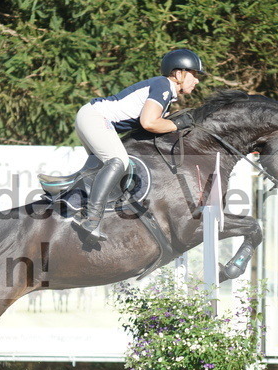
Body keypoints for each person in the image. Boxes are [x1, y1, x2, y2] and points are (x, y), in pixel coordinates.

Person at [72, 48, 205, 239]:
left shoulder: (165, 91)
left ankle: (70, 202)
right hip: (95, 117)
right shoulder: (163, 86)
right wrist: (176, 124)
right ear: (178, 74)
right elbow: (149, 123)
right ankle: (91, 218)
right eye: (194, 74)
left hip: (91, 116)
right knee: (118, 161)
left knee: (100, 170)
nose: (197, 80)